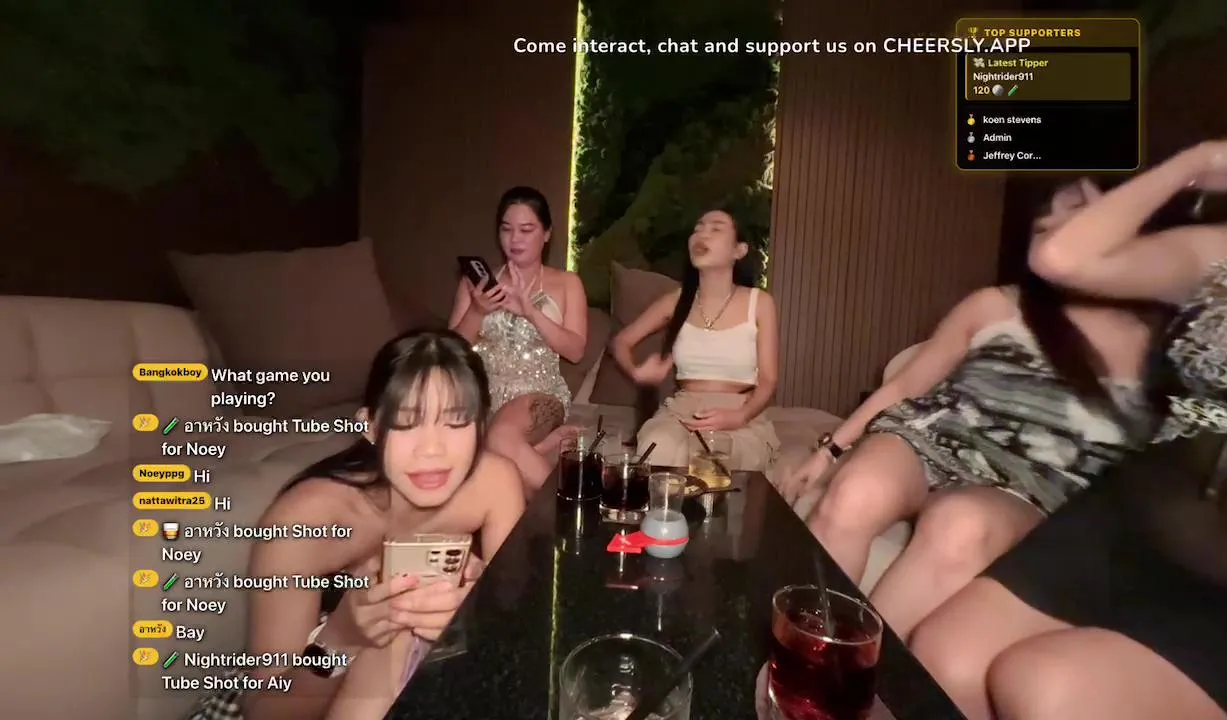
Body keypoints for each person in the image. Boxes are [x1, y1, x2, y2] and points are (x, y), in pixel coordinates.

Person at [908, 129, 1227, 720]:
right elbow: (1061, 257)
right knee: (942, 656)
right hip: (1130, 521)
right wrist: (1195, 162)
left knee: (1043, 684)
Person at [780, 179, 1160, 637]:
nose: (1052, 226)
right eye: (1043, 224)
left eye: (1077, 210)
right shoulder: (997, 305)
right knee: (857, 491)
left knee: (960, 525)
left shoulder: (1167, 347)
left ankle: (856, 671)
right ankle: (797, 651)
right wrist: (828, 452)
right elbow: (906, 383)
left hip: (1036, 483)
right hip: (938, 436)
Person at [186, 329, 526, 720]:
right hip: (290, 693)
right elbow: (265, 711)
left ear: (481, 425)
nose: (432, 449)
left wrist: (476, 610)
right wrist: (341, 637)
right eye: (405, 423)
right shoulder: (305, 521)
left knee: (408, 620)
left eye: (456, 422)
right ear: (371, 427)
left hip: (405, 687)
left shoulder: (494, 484)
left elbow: (516, 631)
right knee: (401, 624)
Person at [611, 208, 781, 471]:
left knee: (710, 460)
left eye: (716, 228)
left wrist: (740, 416)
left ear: (739, 250)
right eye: (698, 228)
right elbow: (620, 342)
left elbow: (768, 380)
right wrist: (636, 372)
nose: (702, 234)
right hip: (682, 410)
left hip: (739, 411)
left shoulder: (760, 302)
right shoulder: (675, 301)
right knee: (658, 446)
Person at [448, 186, 589, 490]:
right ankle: (540, 453)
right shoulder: (476, 284)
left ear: (547, 233)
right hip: (482, 397)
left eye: (526, 230)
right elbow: (451, 353)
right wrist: (477, 310)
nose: (515, 239)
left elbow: (576, 350)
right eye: (506, 229)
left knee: (499, 438)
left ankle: (567, 507)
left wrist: (531, 312)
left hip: (539, 396)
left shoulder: (567, 283)